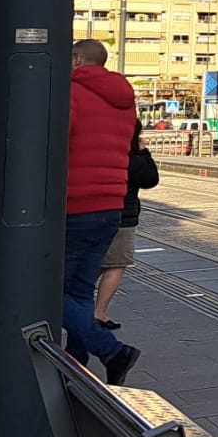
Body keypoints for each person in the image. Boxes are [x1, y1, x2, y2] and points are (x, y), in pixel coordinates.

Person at [66, 39, 143, 383]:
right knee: (80, 291)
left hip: (74, 204)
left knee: (47, 291)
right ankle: (73, 361)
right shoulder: (126, 102)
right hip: (112, 205)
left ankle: (112, 351)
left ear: (79, 59)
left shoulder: (72, 92)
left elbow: (57, 138)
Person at [94, 119, 160, 332]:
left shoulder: (102, 146)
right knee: (116, 263)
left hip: (94, 211)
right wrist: (143, 153)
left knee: (95, 262)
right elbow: (149, 179)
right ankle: (98, 313)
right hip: (122, 216)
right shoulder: (131, 154)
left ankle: (79, 304)